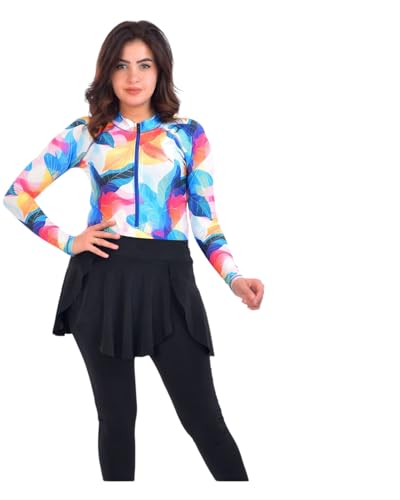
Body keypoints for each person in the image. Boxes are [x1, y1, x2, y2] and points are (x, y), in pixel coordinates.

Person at [3, 20, 264, 481]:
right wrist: (70, 241)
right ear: (107, 71)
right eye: (122, 66)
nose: (133, 76)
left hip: (170, 283)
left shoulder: (188, 135)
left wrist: (234, 277)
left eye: (144, 65)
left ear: (160, 70)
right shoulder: (87, 133)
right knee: (118, 420)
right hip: (102, 281)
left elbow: (205, 221)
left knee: (204, 419)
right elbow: (17, 194)